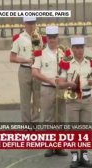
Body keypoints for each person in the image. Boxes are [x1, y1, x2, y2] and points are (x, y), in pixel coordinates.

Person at [58, 36, 92, 168]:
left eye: (81, 47)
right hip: (72, 100)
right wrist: (68, 83)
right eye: (77, 48)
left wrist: (91, 82)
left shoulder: (91, 62)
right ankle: (75, 155)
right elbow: (60, 83)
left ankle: (85, 154)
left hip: (87, 99)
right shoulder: (66, 62)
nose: (79, 50)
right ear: (72, 49)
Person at [31, 26, 68, 157]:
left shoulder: (63, 53)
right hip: (47, 88)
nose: (52, 40)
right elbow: (35, 72)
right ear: (47, 39)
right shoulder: (40, 53)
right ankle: (49, 146)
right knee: (48, 118)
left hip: (60, 89)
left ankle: (59, 146)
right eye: (50, 38)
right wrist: (50, 80)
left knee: (61, 118)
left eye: (55, 37)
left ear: (58, 38)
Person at [10, 16, 43, 123]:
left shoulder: (41, 37)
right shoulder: (18, 38)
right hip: (25, 70)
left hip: (37, 70)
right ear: (24, 24)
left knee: (38, 100)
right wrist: (26, 60)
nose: (31, 26)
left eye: (33, 23)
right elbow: (12, 57)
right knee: (25, 101)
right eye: (29, 23)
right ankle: (26, 125)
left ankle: (36, 124)